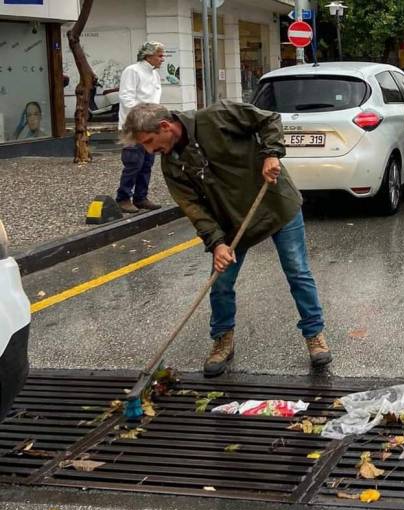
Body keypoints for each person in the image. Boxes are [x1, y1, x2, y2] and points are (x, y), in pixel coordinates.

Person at [119, 101, 332, 377]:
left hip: (275, 204)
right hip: (231, 223)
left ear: (165, 126)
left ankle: (314, 336)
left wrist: (271, 154)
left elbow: (268, 118)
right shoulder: (171, 164)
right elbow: (194, 208)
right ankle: (223, 340)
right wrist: (217, 243)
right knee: (220, 283)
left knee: (297, 272)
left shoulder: (216, 117)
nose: (149, 150)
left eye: (149, 142)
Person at [116, 41, 165, 213]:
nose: (162, 59)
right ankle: (123, 198)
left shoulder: (154, 74)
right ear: (148, 55)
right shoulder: (132, 71)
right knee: (133, 163)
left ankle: (141, 197)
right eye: (160, 55)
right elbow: (126, 98)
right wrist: (147, 114)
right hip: (133, 126)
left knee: (147, 163)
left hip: (149, 125)